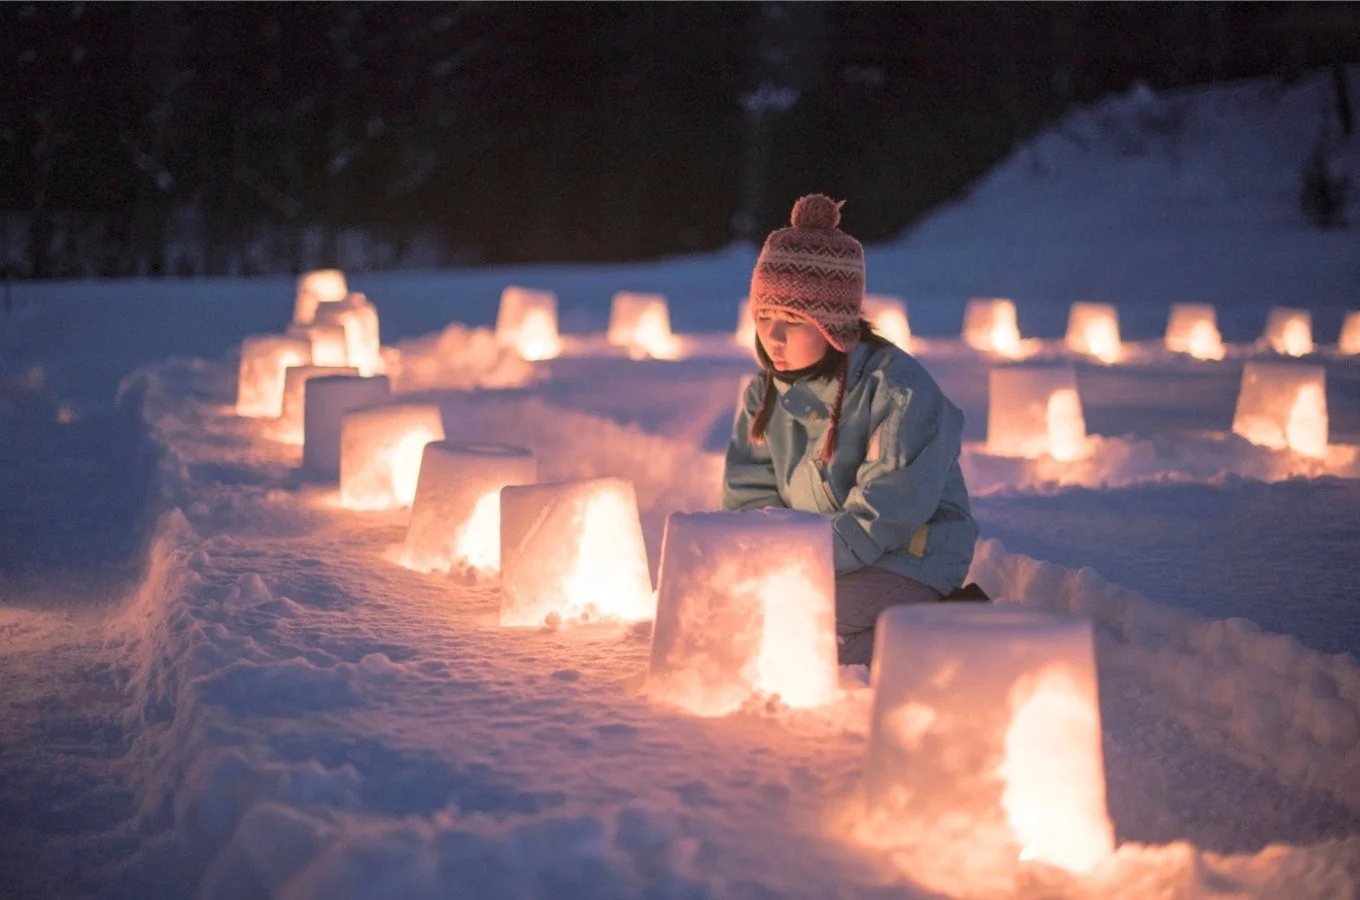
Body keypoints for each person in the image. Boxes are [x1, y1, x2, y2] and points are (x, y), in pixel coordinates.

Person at [722, 194, 978, 666]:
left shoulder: (898, 392)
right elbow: (749, 492)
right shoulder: (764, 395)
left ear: (833, 324)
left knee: (792, 632)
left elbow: (885, 511)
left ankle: (954, 633)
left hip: (907, 560)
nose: (773, 337)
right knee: (738, 617)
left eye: (793, 321)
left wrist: (796, 567)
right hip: (823, 560)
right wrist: (761, 560)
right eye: (763, 317)